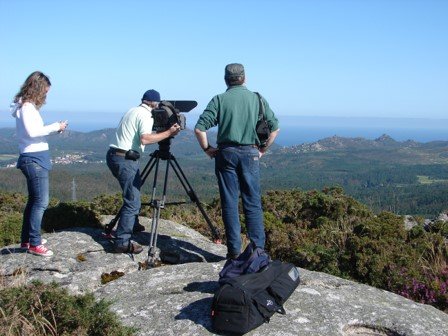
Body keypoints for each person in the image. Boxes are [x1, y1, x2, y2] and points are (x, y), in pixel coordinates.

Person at [194, 63, 280, 259]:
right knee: (252, 202)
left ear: (226, 79)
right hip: (250, 153)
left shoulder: (219, 99)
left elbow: (200, 128)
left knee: (230, 203)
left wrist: (208, 149)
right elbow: (275, 129)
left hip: (226, 154)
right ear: (244, 78)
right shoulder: (257, 99)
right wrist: (262, 150)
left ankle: (234, 252)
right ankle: (258, 251)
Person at [107, 89, 181, 254]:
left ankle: (132, 224)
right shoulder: (146, 115)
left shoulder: (132, 110)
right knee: (132, 201)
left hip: (114, 155)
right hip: (125, 159)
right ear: (154, 103)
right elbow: (145, 139)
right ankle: (122, 242)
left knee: (134, 191)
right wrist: (169, 132)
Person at [11, 71, 68, 257]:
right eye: (45, 90)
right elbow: (33, 132)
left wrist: (54, 130)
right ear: (37, 88)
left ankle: (27, 239)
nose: (46, 95)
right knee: (41, 202)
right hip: (34, 158)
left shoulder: (24, 106)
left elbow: (32, 132)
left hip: (33, 156)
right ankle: (34, 243)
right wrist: (55, 127)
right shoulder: (27, 107)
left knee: (33, 201)